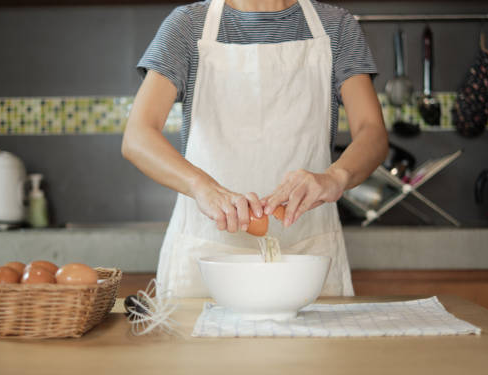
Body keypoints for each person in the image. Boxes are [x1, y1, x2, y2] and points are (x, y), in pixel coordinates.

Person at [122, 0, 388, 297]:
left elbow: (372, 132)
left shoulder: (336, 26)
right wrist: (202, 187)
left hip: (309, 254)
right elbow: (138, 136)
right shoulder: (187, 25)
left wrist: (335, 178)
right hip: (206, 253)